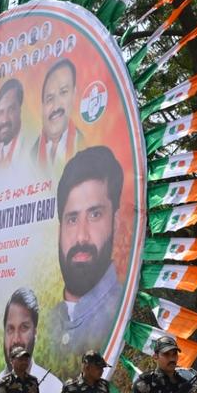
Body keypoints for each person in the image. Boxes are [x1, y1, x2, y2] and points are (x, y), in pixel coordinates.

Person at [47, 147, 126, 361]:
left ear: (115, 223)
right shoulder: (47, 322)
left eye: (95, 214)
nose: (81, 237)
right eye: (72, 219)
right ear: (60, 229)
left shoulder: (124, 312)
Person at [31, 58, 86, 171]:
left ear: (74, 95)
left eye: (63, 92)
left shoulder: (84, 146)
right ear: (42, 106)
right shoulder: (30, 156)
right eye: (49, 98)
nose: (56, 107)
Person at [0, 78, 28, 168]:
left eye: (11, 110)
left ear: (20, 111)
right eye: (0, 112)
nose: (4, 119)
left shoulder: (31, 152)